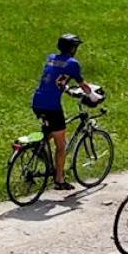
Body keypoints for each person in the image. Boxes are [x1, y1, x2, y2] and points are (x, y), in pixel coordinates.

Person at [31, 33, 86, 191]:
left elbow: (55, 79)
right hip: (52, 106)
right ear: (73, 48)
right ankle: (59, 180)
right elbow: (84, 85)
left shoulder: (51, 58)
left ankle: (39, 146)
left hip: (37, 101)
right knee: (61, 145)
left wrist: (68, 90)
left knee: (52, 130)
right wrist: (92, 95)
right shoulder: (73, 63)